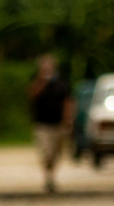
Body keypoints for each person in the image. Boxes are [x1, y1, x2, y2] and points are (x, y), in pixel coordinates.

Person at [28, 55, 72, 193]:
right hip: (42, 125)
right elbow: (32, 94)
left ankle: (51, 175)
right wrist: (42, 81)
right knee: (46, 152)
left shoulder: (61, 82)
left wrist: (68, 119)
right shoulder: (37, 81)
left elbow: (68, 101)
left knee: (56, 153)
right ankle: (49, 178)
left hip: (58, 124)